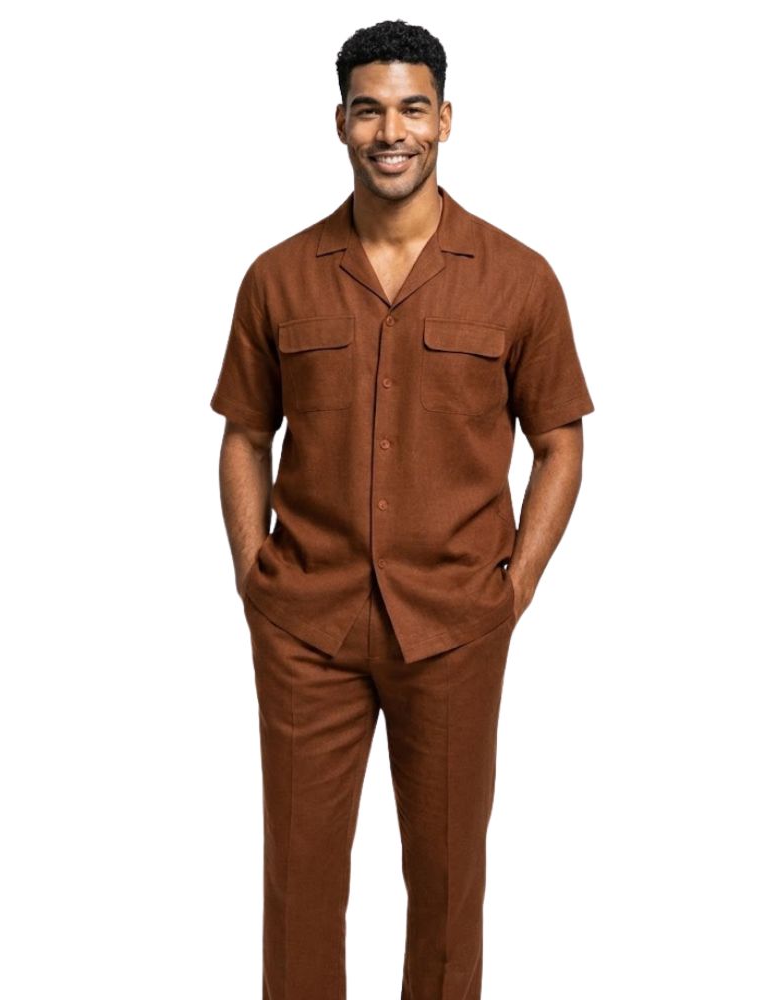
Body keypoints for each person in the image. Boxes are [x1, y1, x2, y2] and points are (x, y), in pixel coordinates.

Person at [209, 18, 595, 1000]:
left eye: (412, 108)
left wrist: (516, 586)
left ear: (446, 119)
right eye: (369, 109)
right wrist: (254, 573)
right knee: (298, 884)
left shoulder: (518, 277)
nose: (392, 131)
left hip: (456, 625)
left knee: (448, 885)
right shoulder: (277, 276)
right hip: (306, 624)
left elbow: (559, 440)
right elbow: (245, 433)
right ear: (339, 122)